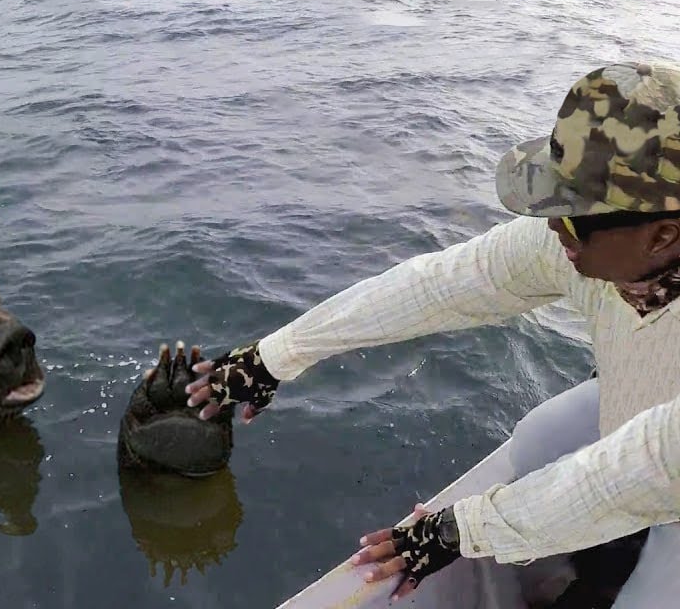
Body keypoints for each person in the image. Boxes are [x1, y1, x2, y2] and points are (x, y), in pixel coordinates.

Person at [182, 61, 680, 606]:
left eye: (570, 217)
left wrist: (458, 531)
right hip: (649, 422)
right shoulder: (584, 247)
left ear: (661, 236)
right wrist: (273, 358)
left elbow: (648, 466)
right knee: (540, 440)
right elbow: (440, 285)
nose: (551, 228)